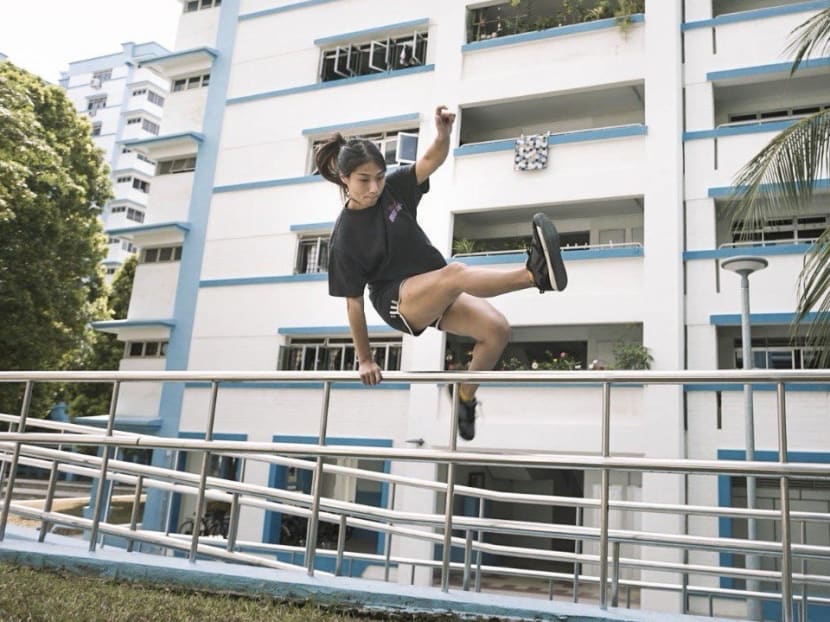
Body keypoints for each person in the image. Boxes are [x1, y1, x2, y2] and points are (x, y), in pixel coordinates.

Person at [314, 105, 568, 441]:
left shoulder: (392, 189)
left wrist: (444, 134)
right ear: (345, 178)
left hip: (433, 286)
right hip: (397, 300)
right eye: (364, 180)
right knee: (456, 273)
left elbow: (430, 160)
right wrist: (365, 359)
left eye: (378, 176)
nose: (374, 187)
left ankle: (464, 396)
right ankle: (535, 276)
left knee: (497, 330)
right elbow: (353, 304)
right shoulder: (345, 237)